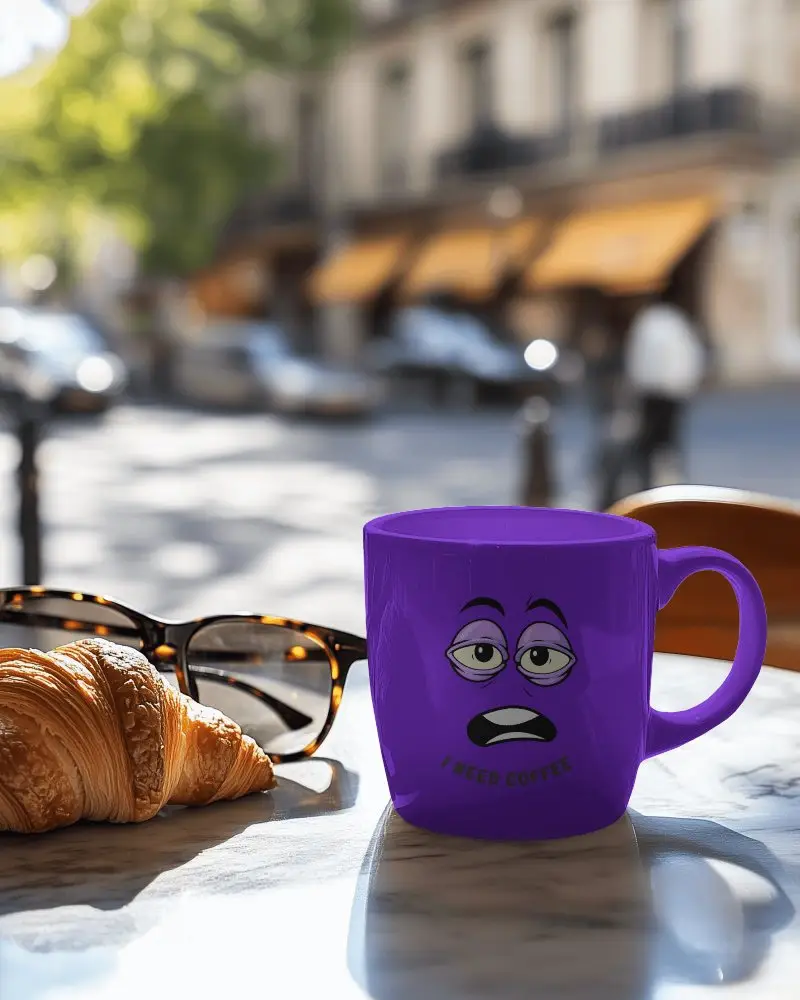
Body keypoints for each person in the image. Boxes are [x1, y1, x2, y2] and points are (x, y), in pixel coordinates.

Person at [622, 290, 707, 494]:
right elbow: (690, 355)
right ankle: (666, 478)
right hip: (672, 390)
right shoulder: (676, 323)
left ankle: (652, 479)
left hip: (653, 389)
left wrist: (637, 383)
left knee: (652, 440)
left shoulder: (648, 322)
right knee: (666, 439)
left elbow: (637, 357)